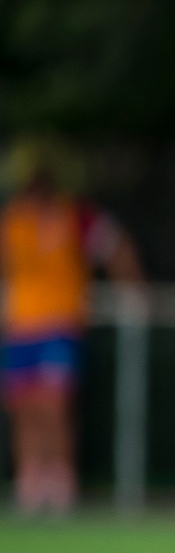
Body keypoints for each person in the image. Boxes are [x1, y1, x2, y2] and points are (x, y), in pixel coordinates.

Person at [0, 147, 145, 515]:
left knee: (54, 405)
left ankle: (60, 481)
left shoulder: (74, 216)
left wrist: (132, 286)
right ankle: (30, 480)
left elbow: (115, 245)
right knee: (24, 407)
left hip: (59, 325)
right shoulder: (13, 221)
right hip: (20, 328)